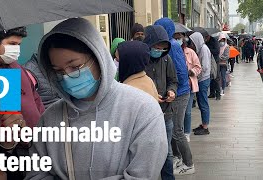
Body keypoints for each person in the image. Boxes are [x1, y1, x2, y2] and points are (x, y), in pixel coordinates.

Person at [25, 18, 168, 180]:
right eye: (58, 71)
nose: (66, 77)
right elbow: (36, 173)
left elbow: (143, 175)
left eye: (75, 67)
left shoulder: (143, 110)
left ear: (98, 57)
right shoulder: (49, 118)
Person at [0, 27, 45, 180]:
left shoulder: (13, 65)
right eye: (13, 43)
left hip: (38, 148)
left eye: (19, 44)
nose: (16, 50)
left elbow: (35, 99)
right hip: (14, 155)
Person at [154, 18, 195, 175]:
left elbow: (179, 72)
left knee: (177, 130)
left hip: (180, 93)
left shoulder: (172, 46)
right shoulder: (166, 45)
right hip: (175, 93)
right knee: (171, 129)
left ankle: (189, 163)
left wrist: (173, 90)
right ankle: (178, 157)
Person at [143, 25, 178, 180]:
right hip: (146, 116)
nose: (159, 50)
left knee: (167, 152)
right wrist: (151, 95)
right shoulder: (141, 60)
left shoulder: (166, 59)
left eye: (163, 48)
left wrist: (172, 91)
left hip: (165, 113)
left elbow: (173, 81)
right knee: (145, 152)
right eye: (156, 47)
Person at [174, 32, 202, 142]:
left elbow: (198, 67)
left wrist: (192, 72)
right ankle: (178, 131)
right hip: (175, 86)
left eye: (180, 39)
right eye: (176, 39)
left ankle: (186, 132)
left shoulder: (190, 52)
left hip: (188, 86)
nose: (178, 41)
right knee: (177, 112)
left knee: (187, 111)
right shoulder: (172, 52)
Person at [188, 32, 211, 135]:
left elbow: (204, 67)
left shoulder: (204, 50)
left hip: (203, 79)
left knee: (203, 103)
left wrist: (196, 74)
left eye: (192, 42)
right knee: (201, 103)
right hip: (201, 79)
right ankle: (203, 124)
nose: (191, 44)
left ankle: (205, 127)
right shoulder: (200, 49)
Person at [204, 32, 221, 100]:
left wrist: (208, 50)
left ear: (208, 36)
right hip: (208, 60)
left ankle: (218, 94)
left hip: (215, 61)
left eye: (205, 37)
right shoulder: (205, 42)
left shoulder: (215, 41)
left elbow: (217, 51)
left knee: (216, 77)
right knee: (210, 78)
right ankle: (212, 93)